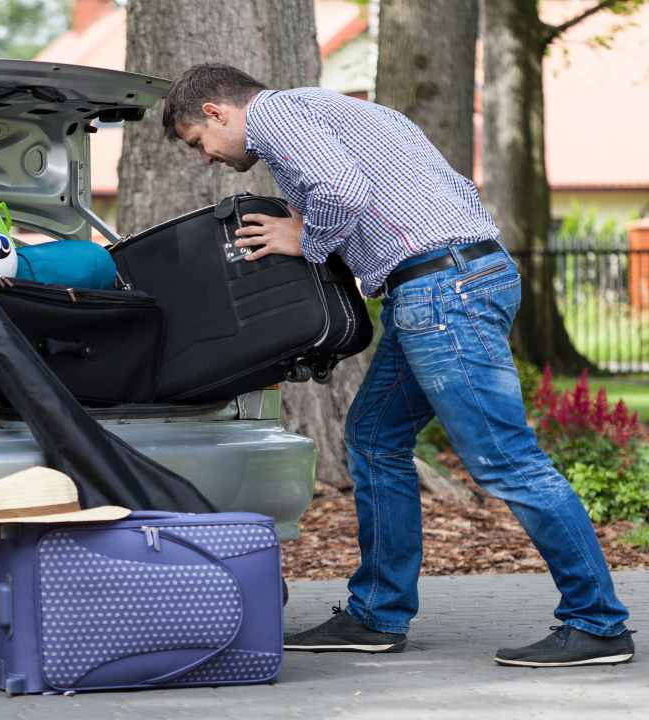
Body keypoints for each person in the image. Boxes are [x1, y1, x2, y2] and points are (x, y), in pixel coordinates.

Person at [162, 63, 634, 667]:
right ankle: (376, 615)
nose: (208, 157)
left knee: (505, 459)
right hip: (453, 279)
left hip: (443, 291)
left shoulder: (276, 116)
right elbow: (438, 186)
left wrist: (304, 240)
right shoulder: (341, 112)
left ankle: (597, 622)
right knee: (374, 437)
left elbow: (341, 189)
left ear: (217, 113)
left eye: (200, 143)